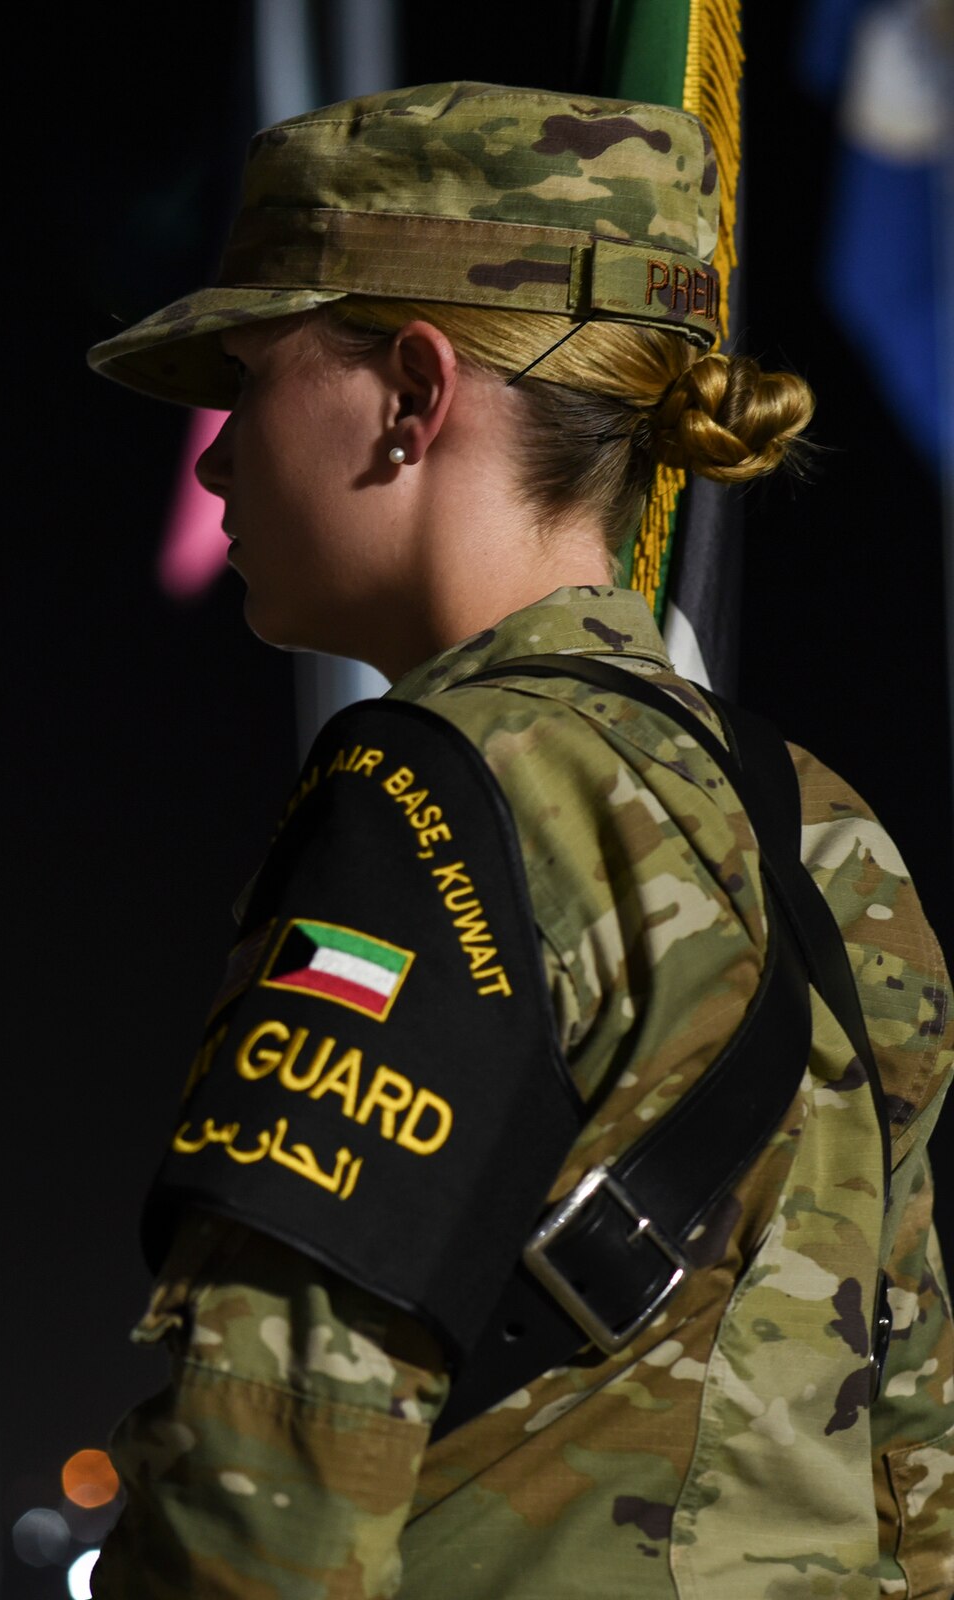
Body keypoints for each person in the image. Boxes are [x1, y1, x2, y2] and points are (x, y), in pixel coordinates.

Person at [84, 82, 954, 1599]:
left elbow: (268, 1492)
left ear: (416, 395)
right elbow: (915, 1461)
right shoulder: (826, 825)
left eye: (251, 375)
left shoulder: (434, 795)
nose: (217, 458)